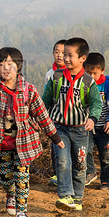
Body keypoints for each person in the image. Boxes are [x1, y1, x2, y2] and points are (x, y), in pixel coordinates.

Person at [0, 47, 63, 217]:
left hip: (24, 143)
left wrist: (55, 137)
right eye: (1, 64)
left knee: (22, 177)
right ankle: (10, 195)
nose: (5, 68)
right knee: (6, 177)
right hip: (1, 143)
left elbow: (42, 115)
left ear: (18, 67)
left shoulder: (29, 90)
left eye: (10, 64)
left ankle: (22, 211)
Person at [43, 37, 103, 211]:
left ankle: (77, 197)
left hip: (80, 130)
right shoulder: (56, 78)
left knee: (80, 163)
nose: (65, 58)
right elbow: (46, 100)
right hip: (59, 127)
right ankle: (65, 195)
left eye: (70, 55)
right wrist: (41, 120)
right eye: (63, 54)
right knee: (62, 161)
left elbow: (96, 104)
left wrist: (92, 118)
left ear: (82, 58)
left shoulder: (88, 82)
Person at [83, 53, 109, 190]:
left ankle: (106, 181)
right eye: (88, 73)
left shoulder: (108, 84)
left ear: (102, 71)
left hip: (105, 126)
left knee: (107, 155)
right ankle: (90, 172)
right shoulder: (82, 83)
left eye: (95, 73)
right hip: (87, 125)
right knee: (84, 150)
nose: (91, 76)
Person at [45, 39, 67, 187]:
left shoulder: (74, 73)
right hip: (55, 115)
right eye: (56, 52)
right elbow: (47, 97)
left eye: (63, 53)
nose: (59, 56)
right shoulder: (50, 74)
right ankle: (56, 173)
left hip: (71, 116)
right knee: (55, 145)